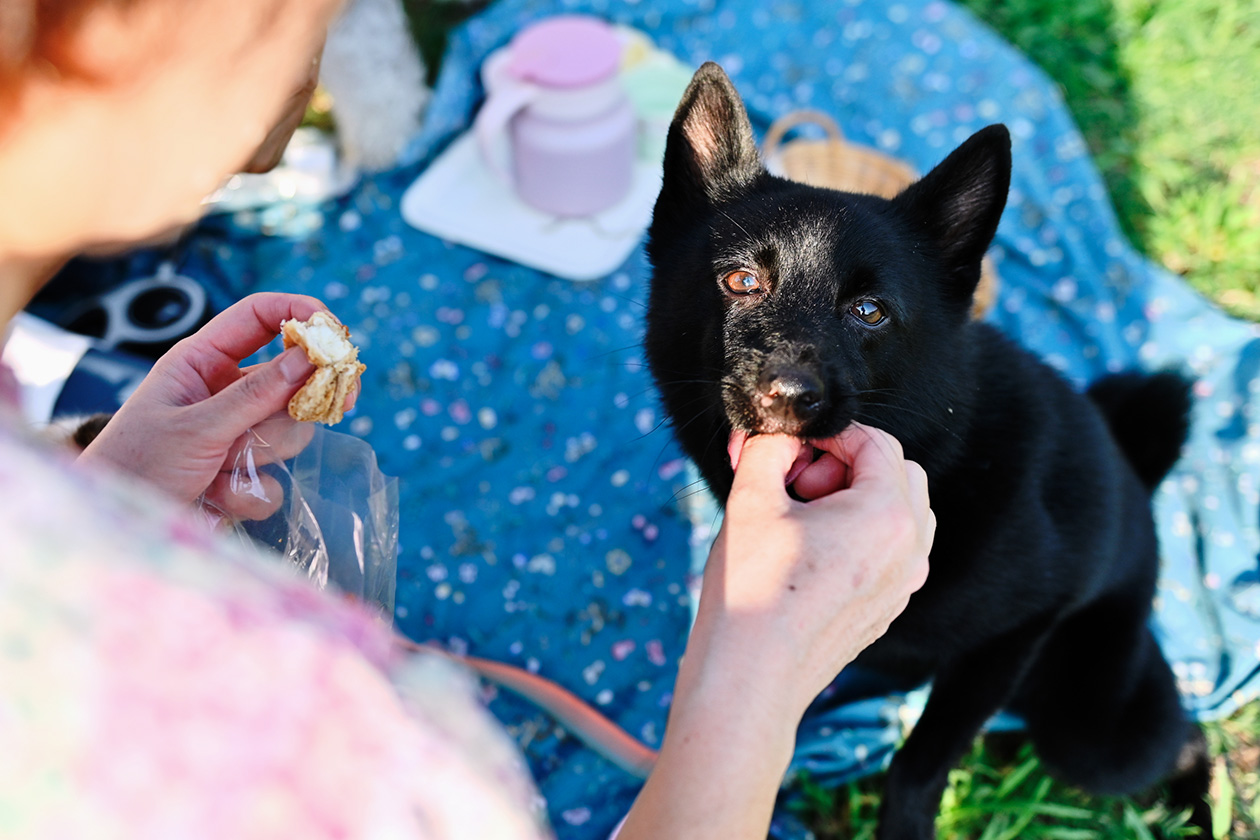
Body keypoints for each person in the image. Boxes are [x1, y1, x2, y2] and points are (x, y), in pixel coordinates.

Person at [0, 2, 933, 838]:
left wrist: (116, 486)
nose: (318, 51)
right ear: (107, 35)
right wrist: (764, 667)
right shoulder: (278, 742)